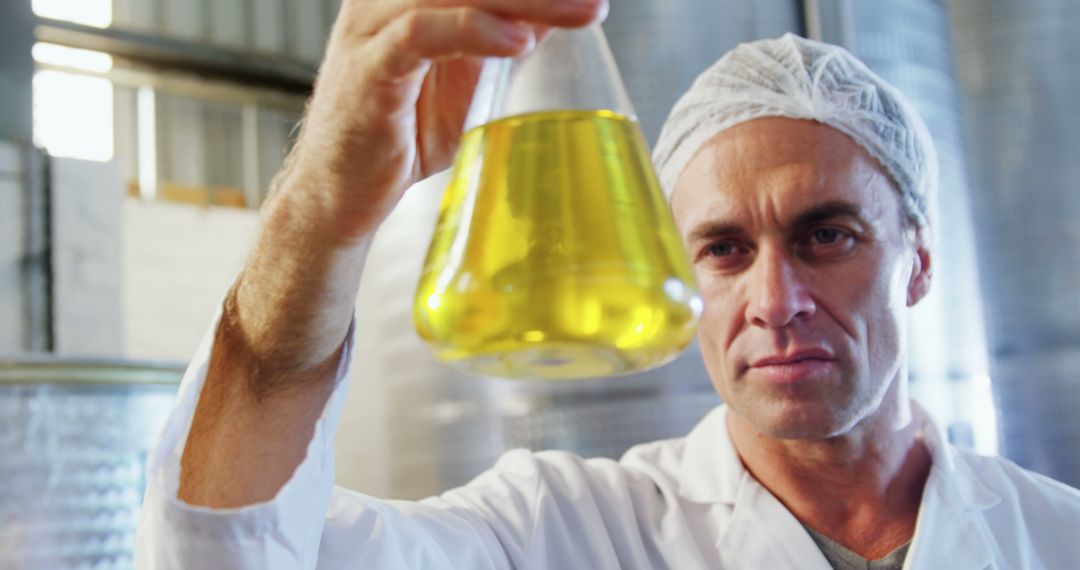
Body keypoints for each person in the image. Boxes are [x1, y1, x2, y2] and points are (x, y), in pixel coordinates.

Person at [135, 0, 1080, 568]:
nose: (773, 301)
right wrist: (324, 212)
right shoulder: (559, 533)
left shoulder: (1057, 534)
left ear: (918, 264)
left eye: (825, 234)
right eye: (721, 249)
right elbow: (233, 554)